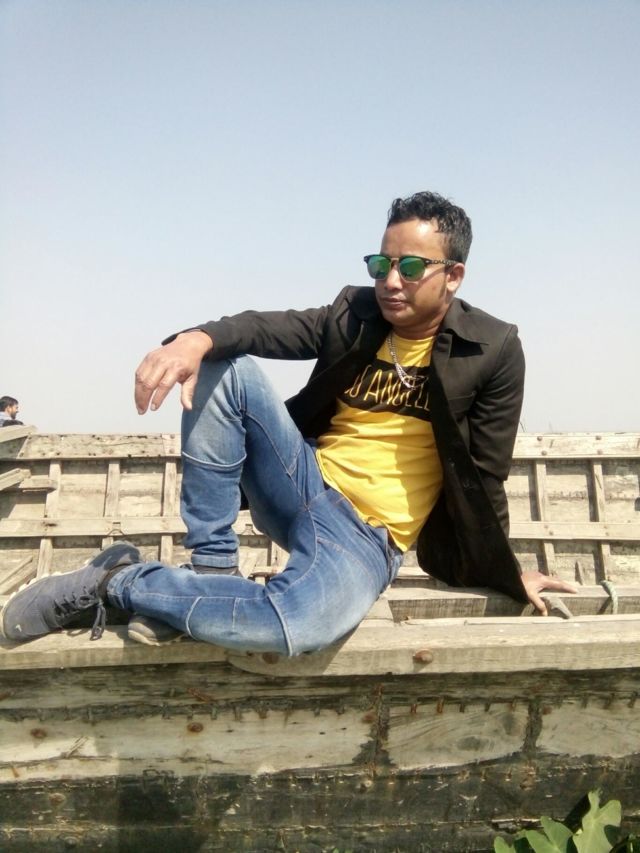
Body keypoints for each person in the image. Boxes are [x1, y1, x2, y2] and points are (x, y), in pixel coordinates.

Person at [1, 191, 575, 651]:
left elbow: (484, 477)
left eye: (410, 267)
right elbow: (266, 327)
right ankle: (213, 572)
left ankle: (119, 582)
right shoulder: (355, 312)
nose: (390, 281)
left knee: (296, 625)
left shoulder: (493, 348)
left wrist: (506, 573)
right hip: (302, 483)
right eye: (381, 264)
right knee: (223, 365)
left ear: (453, 275)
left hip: (367, 538)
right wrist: (195, 338)